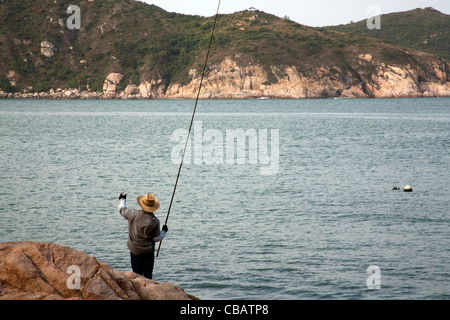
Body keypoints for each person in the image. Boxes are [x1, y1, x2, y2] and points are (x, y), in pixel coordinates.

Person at [118, 192, 168, 279]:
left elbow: (121, 209)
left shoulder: (133, 214)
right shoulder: (154, 221)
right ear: (153, 207)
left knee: (136, 275)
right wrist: (164, 231)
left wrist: (122, 199)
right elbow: (156, 238)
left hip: (134, 250)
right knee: (148, 276)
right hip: (147, 252)